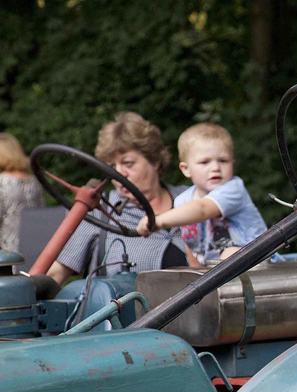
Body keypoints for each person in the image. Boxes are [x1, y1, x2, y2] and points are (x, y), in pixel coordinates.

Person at [47, 112, 188, 286]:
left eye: (128, 163)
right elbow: (55, 274)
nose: (119, 173)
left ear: (155, 161)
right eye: (112, 166)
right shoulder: (97, 211)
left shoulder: (192, 200)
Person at [136, 123, 267, 266]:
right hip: (217, 273)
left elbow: (203, 209)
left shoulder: (233, 189)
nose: (215, 168)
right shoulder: (182, 201)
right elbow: (190, 244)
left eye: (223, 161)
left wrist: (159, 220)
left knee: (231, 254)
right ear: (186, 169)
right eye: (205, 162)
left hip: (258, 264)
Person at [0, 133, 44, 254]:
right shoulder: (34, 181)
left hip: (8, 250)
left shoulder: (2, 181)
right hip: (35, 245)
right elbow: (41, 211)